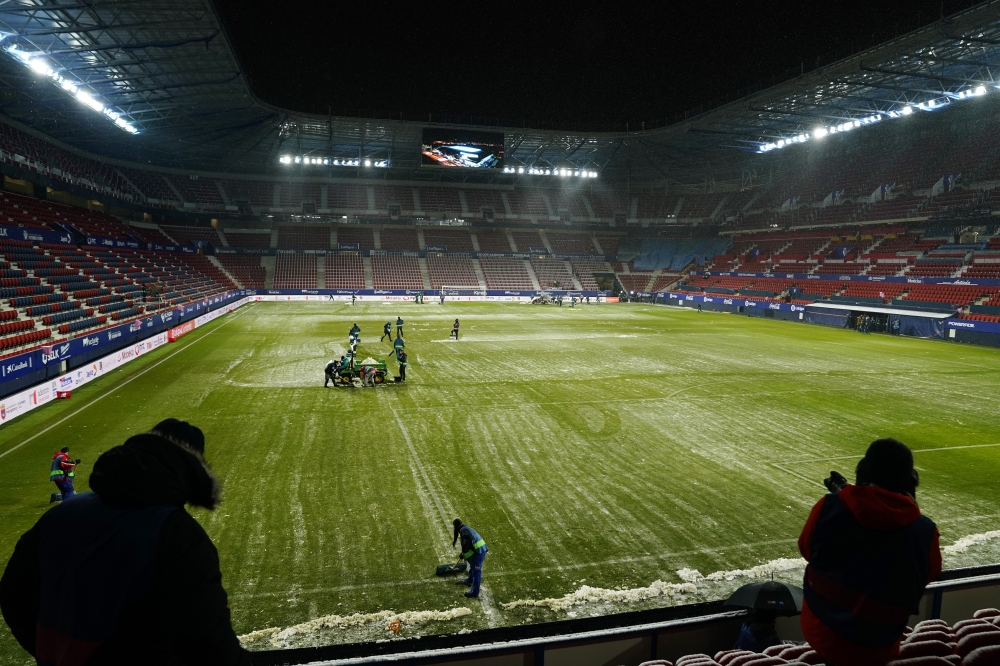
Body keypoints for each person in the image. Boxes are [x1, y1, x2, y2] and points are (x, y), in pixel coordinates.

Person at [1, 419, 251, 666]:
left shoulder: (62, 514)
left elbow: (14, 593)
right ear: (192, 469)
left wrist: (51, 652)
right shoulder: (176, 533)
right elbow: (207, 637)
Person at [799, 438, 941, 666]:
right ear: (910, 479)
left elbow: (808, 550)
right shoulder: (925, 531)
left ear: (863, 471)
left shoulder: (827, 507)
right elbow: (927, 573)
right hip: (879, 643)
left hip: (824, 630)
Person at [452, 518, 488, 598]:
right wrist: (463, 553)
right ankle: (469, 581)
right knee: (472, 567)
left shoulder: (464, 530)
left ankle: (474, 593)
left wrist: (463, 551)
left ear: (456, 526)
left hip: (479, 551)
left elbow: (466, 540)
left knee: (476, 571)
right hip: (478, 550)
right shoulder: (465, 528)